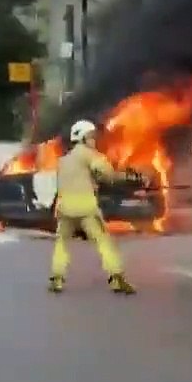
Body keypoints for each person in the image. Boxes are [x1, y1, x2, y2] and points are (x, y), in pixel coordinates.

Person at [49, 119, 137, 295]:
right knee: (104, 242)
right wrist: (128, 177)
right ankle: (117, 278)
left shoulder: (64, 160)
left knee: (62, 244)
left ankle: (57, 279)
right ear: (84, 137)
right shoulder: (89, 154)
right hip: (85, 206)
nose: (94, 140)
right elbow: (106, 173)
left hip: (65, 207)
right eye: (91, 136)